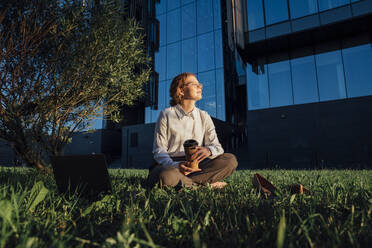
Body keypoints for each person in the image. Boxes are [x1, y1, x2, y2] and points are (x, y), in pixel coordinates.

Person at [147, 72, 238, 189]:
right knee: (165, 175)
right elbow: (159, 151)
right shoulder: (166, 114)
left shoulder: (204, 116)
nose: (200, 86)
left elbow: (217, 147)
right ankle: (204, 186)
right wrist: (176, 165)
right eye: (194, 84)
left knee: (230, 160)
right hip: (170, 165)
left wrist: (208, 150)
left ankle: (185, 184)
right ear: (181, 90)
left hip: (197, 166)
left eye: (199, 84)